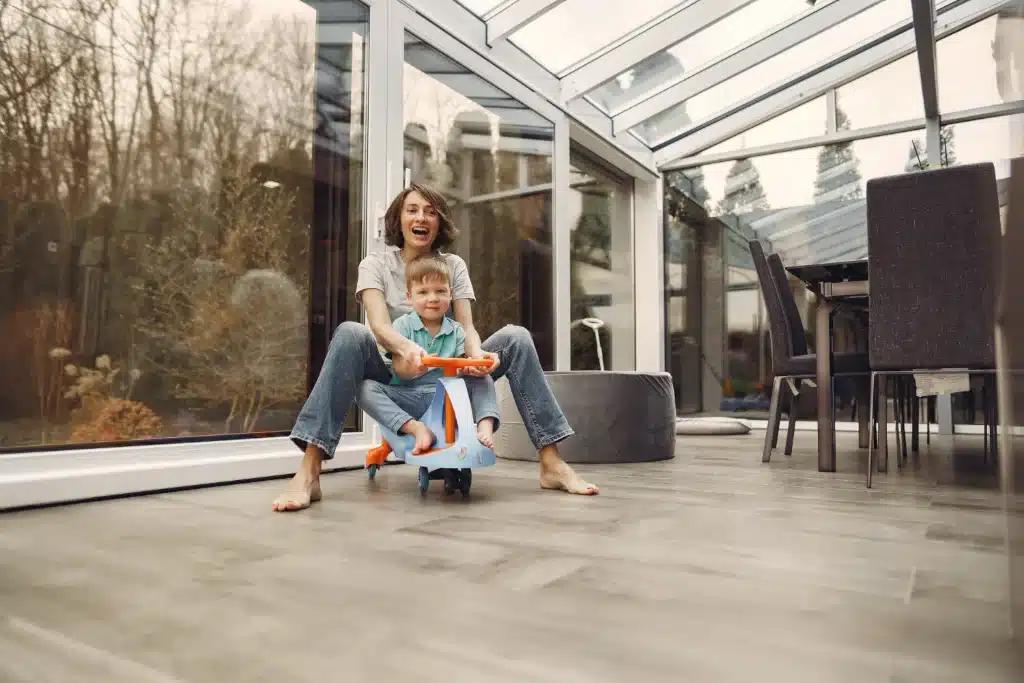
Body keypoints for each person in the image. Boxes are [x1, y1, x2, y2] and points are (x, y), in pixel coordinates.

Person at [272, 183, 599, 511]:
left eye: (430, 212)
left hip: (446, 376)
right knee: (349, 333)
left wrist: (476, 357)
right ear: (398, 219)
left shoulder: (453, 265)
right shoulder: (375, 265)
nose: (421, 218)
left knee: (517, 337)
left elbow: (466, 327)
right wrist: (406, 349)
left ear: (439, 222)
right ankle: (310, 470)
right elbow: (380, 326)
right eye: (412, 210)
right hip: (393, 374)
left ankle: (551, 463)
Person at [356, 254, 499, 454]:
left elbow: (461, 364)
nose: (432, 298)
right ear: (410, 297)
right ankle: (416, 428)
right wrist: (412, 368)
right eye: (423, 292)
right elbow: (398, 371)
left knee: (483, 379)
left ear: (450, 294)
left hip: (448, 397)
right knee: (364, 389)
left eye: (440, 291)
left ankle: (484, 427)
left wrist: (469, 367)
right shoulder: (402, 326)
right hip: (410, 396)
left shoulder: (457, 331)